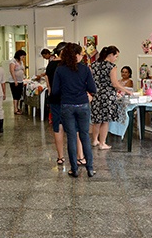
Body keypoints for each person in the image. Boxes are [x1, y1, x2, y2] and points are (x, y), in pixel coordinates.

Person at [52, 43, 97, 177]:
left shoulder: (60, 70)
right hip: (83, 104)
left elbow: (55, 91)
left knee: (71, 137)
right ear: (75, 55)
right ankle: (89, 168)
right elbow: (93, 89)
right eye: (80, 54)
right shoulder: (85, 69)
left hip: (67, 105)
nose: (82, 56)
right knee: (84, 136)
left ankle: (74, 169)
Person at [90, 46, 133, 150]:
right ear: (110, 55)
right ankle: (102, 143)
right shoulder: (111, 66)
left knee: (97, 120)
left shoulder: (93, 65)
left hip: (96, 95)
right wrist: (127, 91)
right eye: (116, 56)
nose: (116, 59)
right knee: (105, 121)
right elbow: (115, 84)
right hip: (107, 96)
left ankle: (95, 140)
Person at [45, 42, 66, 165]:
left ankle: (60, 156)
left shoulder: (50, 65)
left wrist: (50, 91)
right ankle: (79, 156)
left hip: (54, 98)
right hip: (68, 100)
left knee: (57, 127)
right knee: (73, 129)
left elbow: (48, 83)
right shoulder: (66, 66)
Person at [8, 50, 26, 115]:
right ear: (19, 55)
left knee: (18, 95)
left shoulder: (21, 62)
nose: (23, 58)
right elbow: (12, 71)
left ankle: (17, 107)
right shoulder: (13, 61)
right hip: (14, 81)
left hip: (20, 80)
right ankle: (15, 109)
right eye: (22, 56)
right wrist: (15, 80)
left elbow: (23, 69)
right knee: (15, 95)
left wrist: (23, 76)